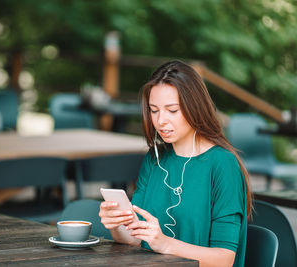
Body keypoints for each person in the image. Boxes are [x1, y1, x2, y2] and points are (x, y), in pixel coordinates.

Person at [99, 60, 252, 267]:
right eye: (154, 110)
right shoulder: (154, 159)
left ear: (195, 108)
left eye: (172, 110)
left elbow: (224, 259)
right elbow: (137, 239)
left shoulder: (223, 165)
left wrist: (166, 244)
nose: (161, 120)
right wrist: (116, 226)